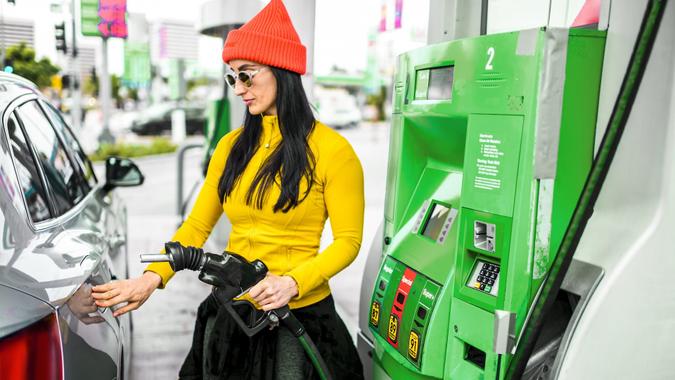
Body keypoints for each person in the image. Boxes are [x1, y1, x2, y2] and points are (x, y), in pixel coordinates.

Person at [91, 0, 365, 378]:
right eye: (232, 77)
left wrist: (292, 283)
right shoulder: (231, 147)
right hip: (232, 313)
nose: (238, 89)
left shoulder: (333, 150)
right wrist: (150, 280)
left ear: (282, 70)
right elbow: (196, 227)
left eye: (246, 75)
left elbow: (348, 242)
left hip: (297, 318)